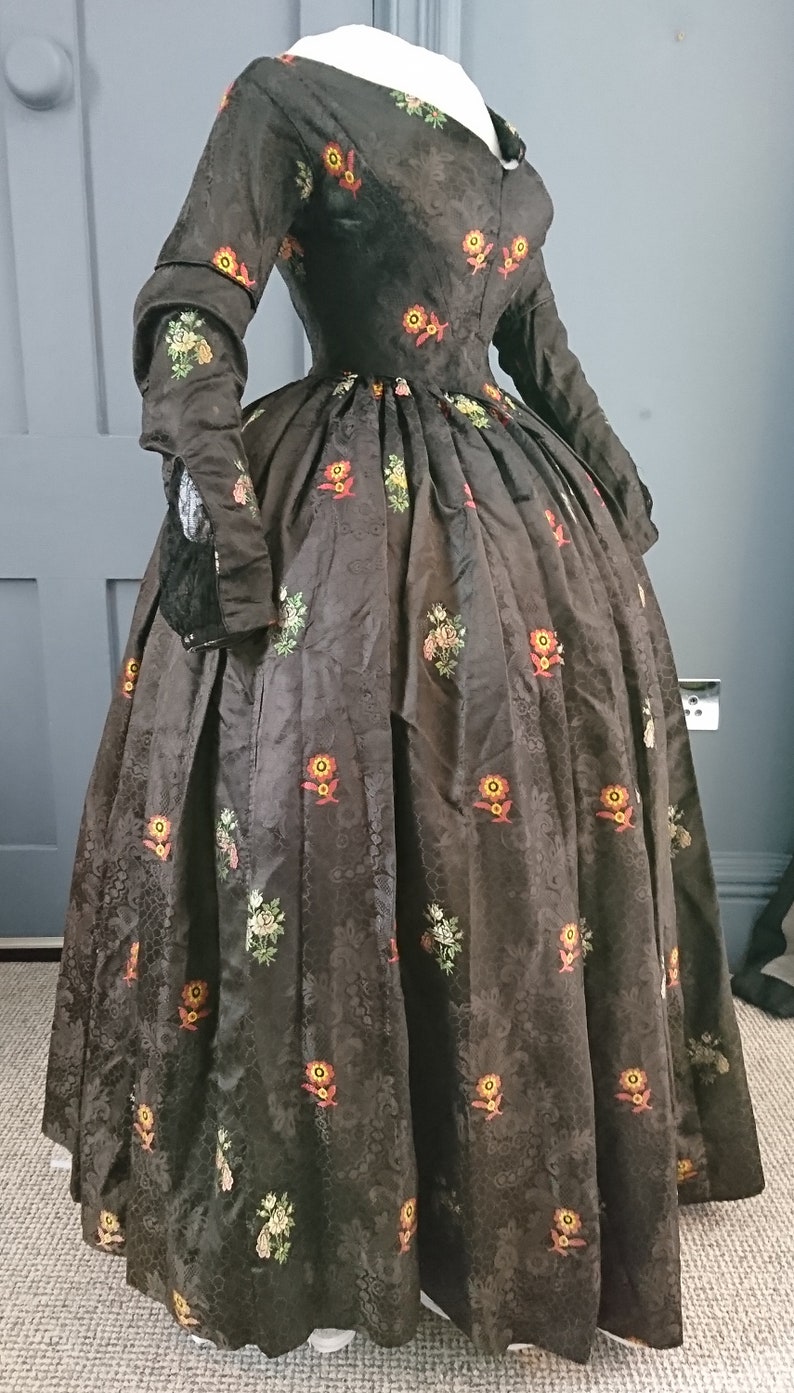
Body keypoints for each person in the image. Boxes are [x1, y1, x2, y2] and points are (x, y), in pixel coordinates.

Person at [41, 33, 764, 1365]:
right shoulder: (290, 91)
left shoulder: (494, 133)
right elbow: (197, 301)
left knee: (515, 849)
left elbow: (539, 349)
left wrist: (614, 492)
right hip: (334, 515)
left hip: (515, 510)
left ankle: (497, 1185)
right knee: (319, 833)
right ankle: (330, 1216)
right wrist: (222, 508)